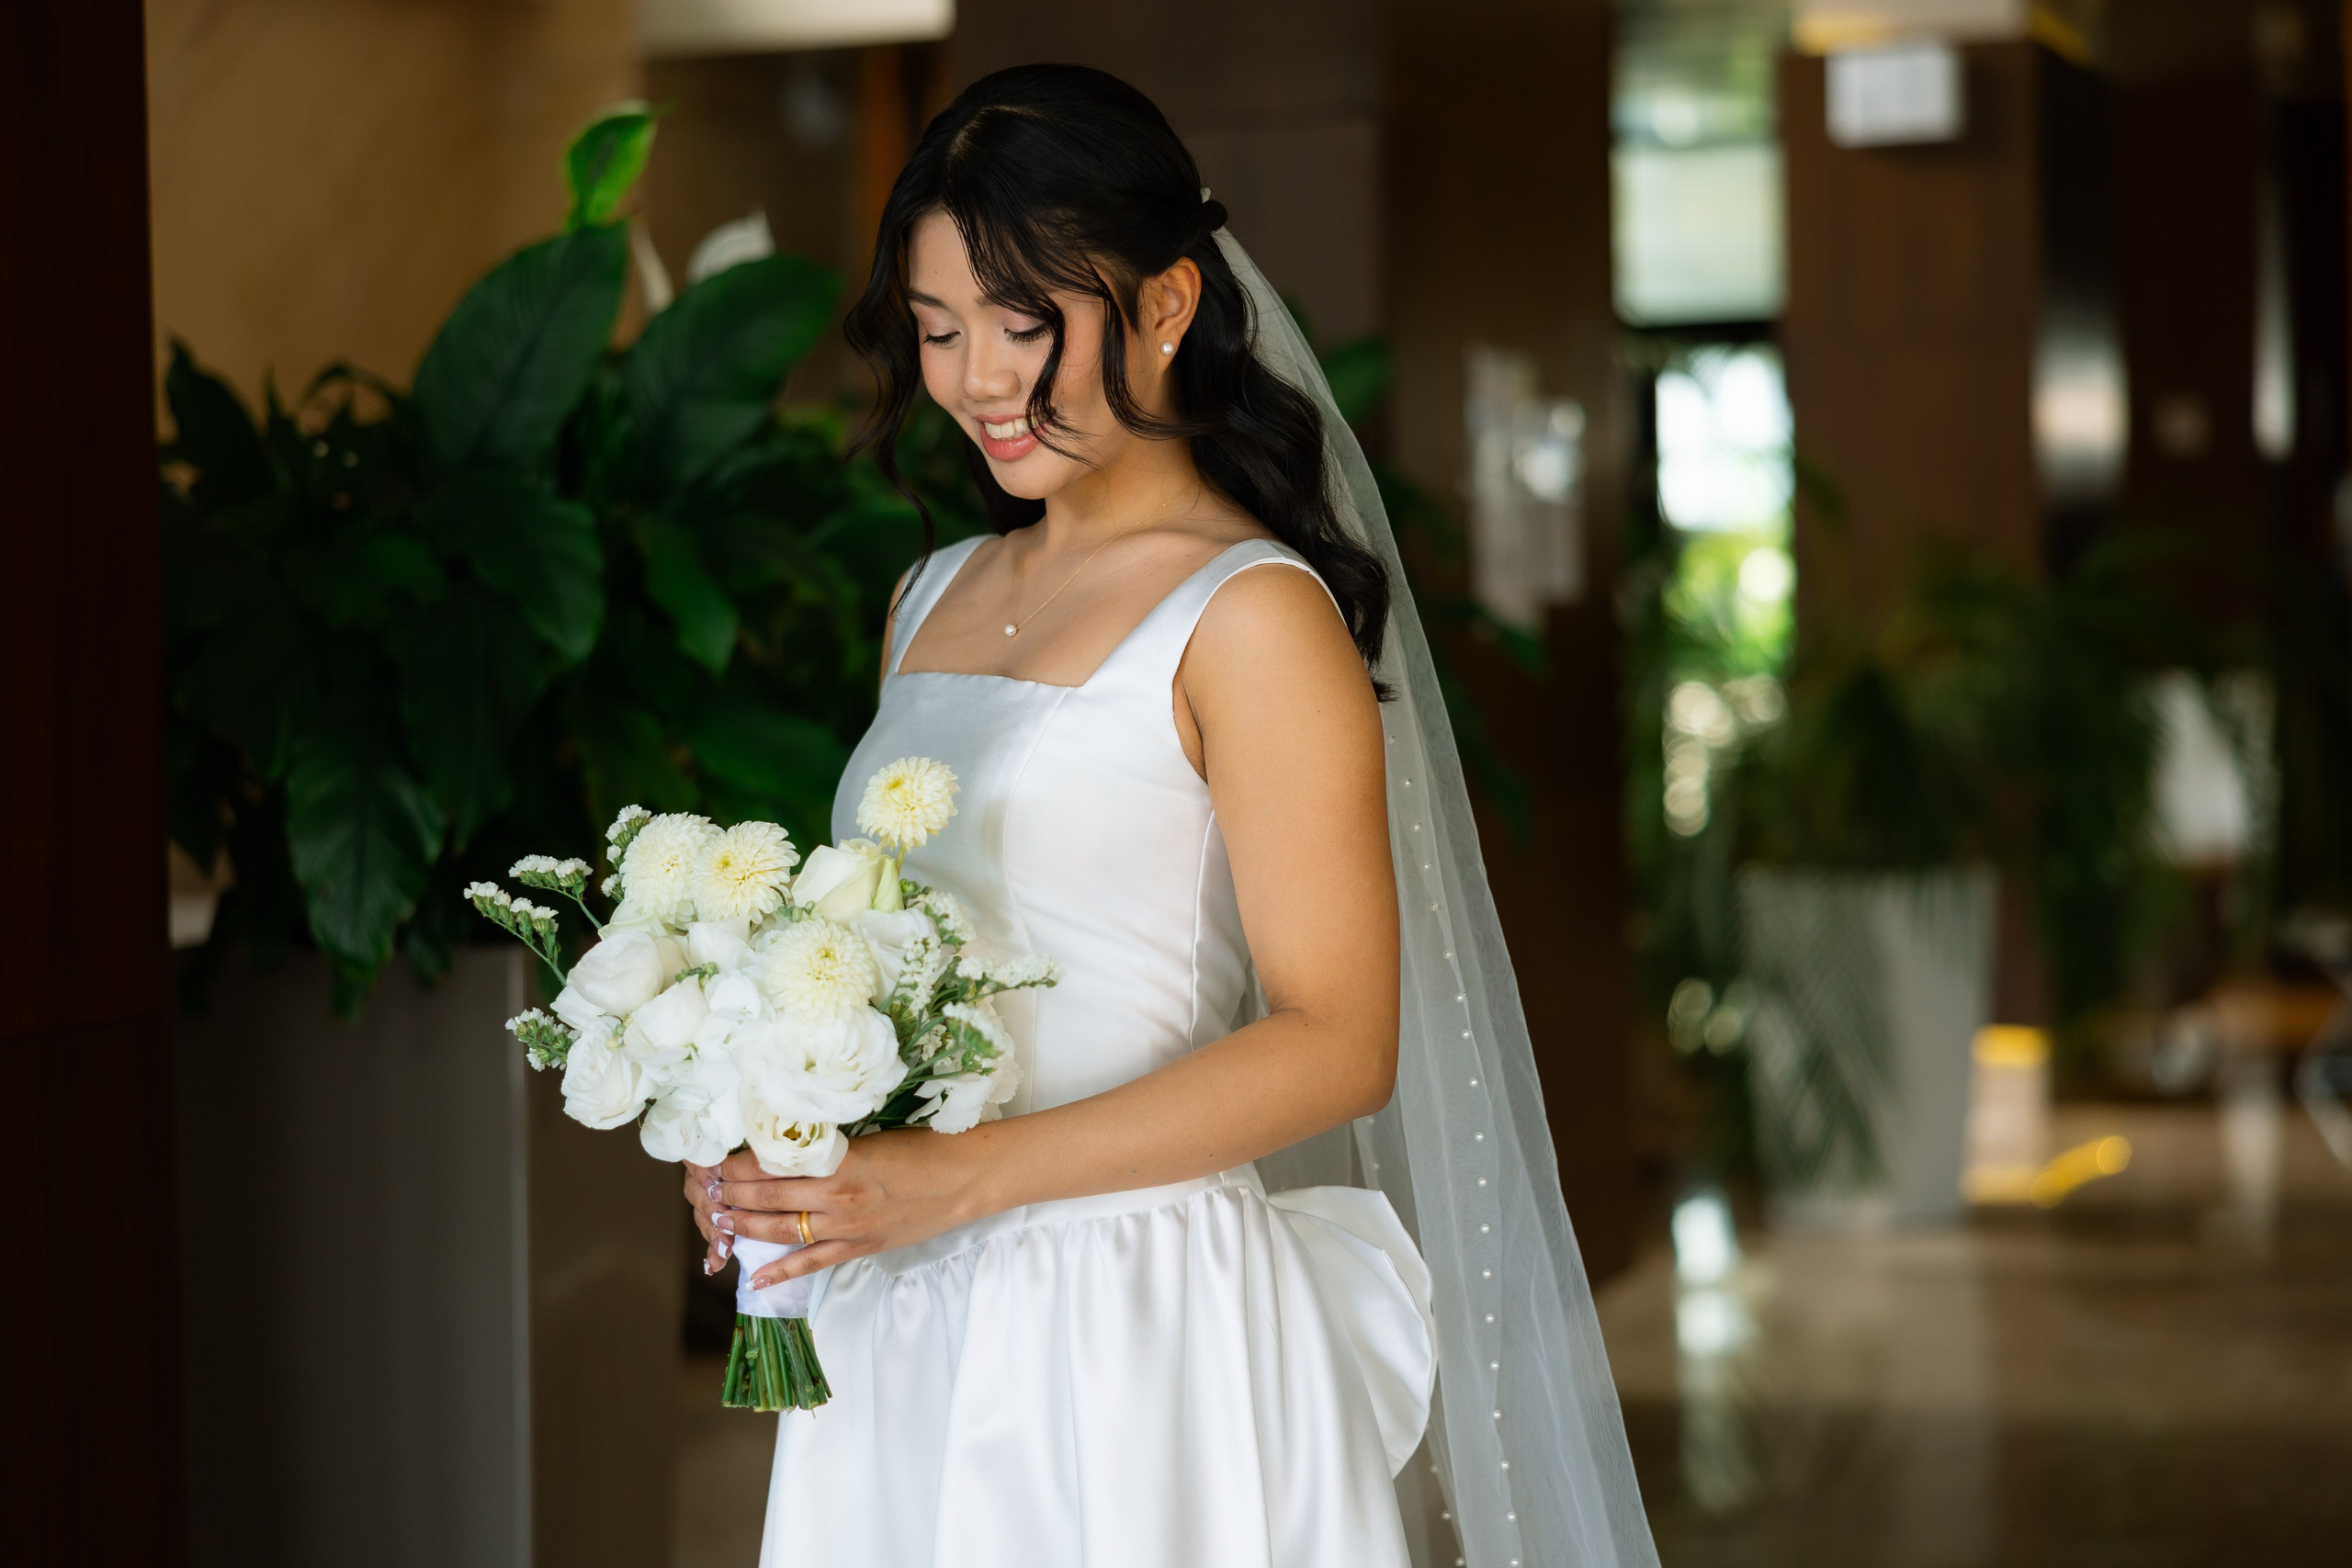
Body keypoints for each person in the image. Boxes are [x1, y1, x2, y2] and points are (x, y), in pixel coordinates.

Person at [682, 64, 1657, 1568]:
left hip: (1130, 1313)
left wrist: (957, 1179)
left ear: (1166, 303)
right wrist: (771, 1127)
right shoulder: (927, 597)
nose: (977, 380)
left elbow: (1339, 1040)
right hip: (903, 1298)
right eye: (936, 330)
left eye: (1023, 324)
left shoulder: (1250, 615)